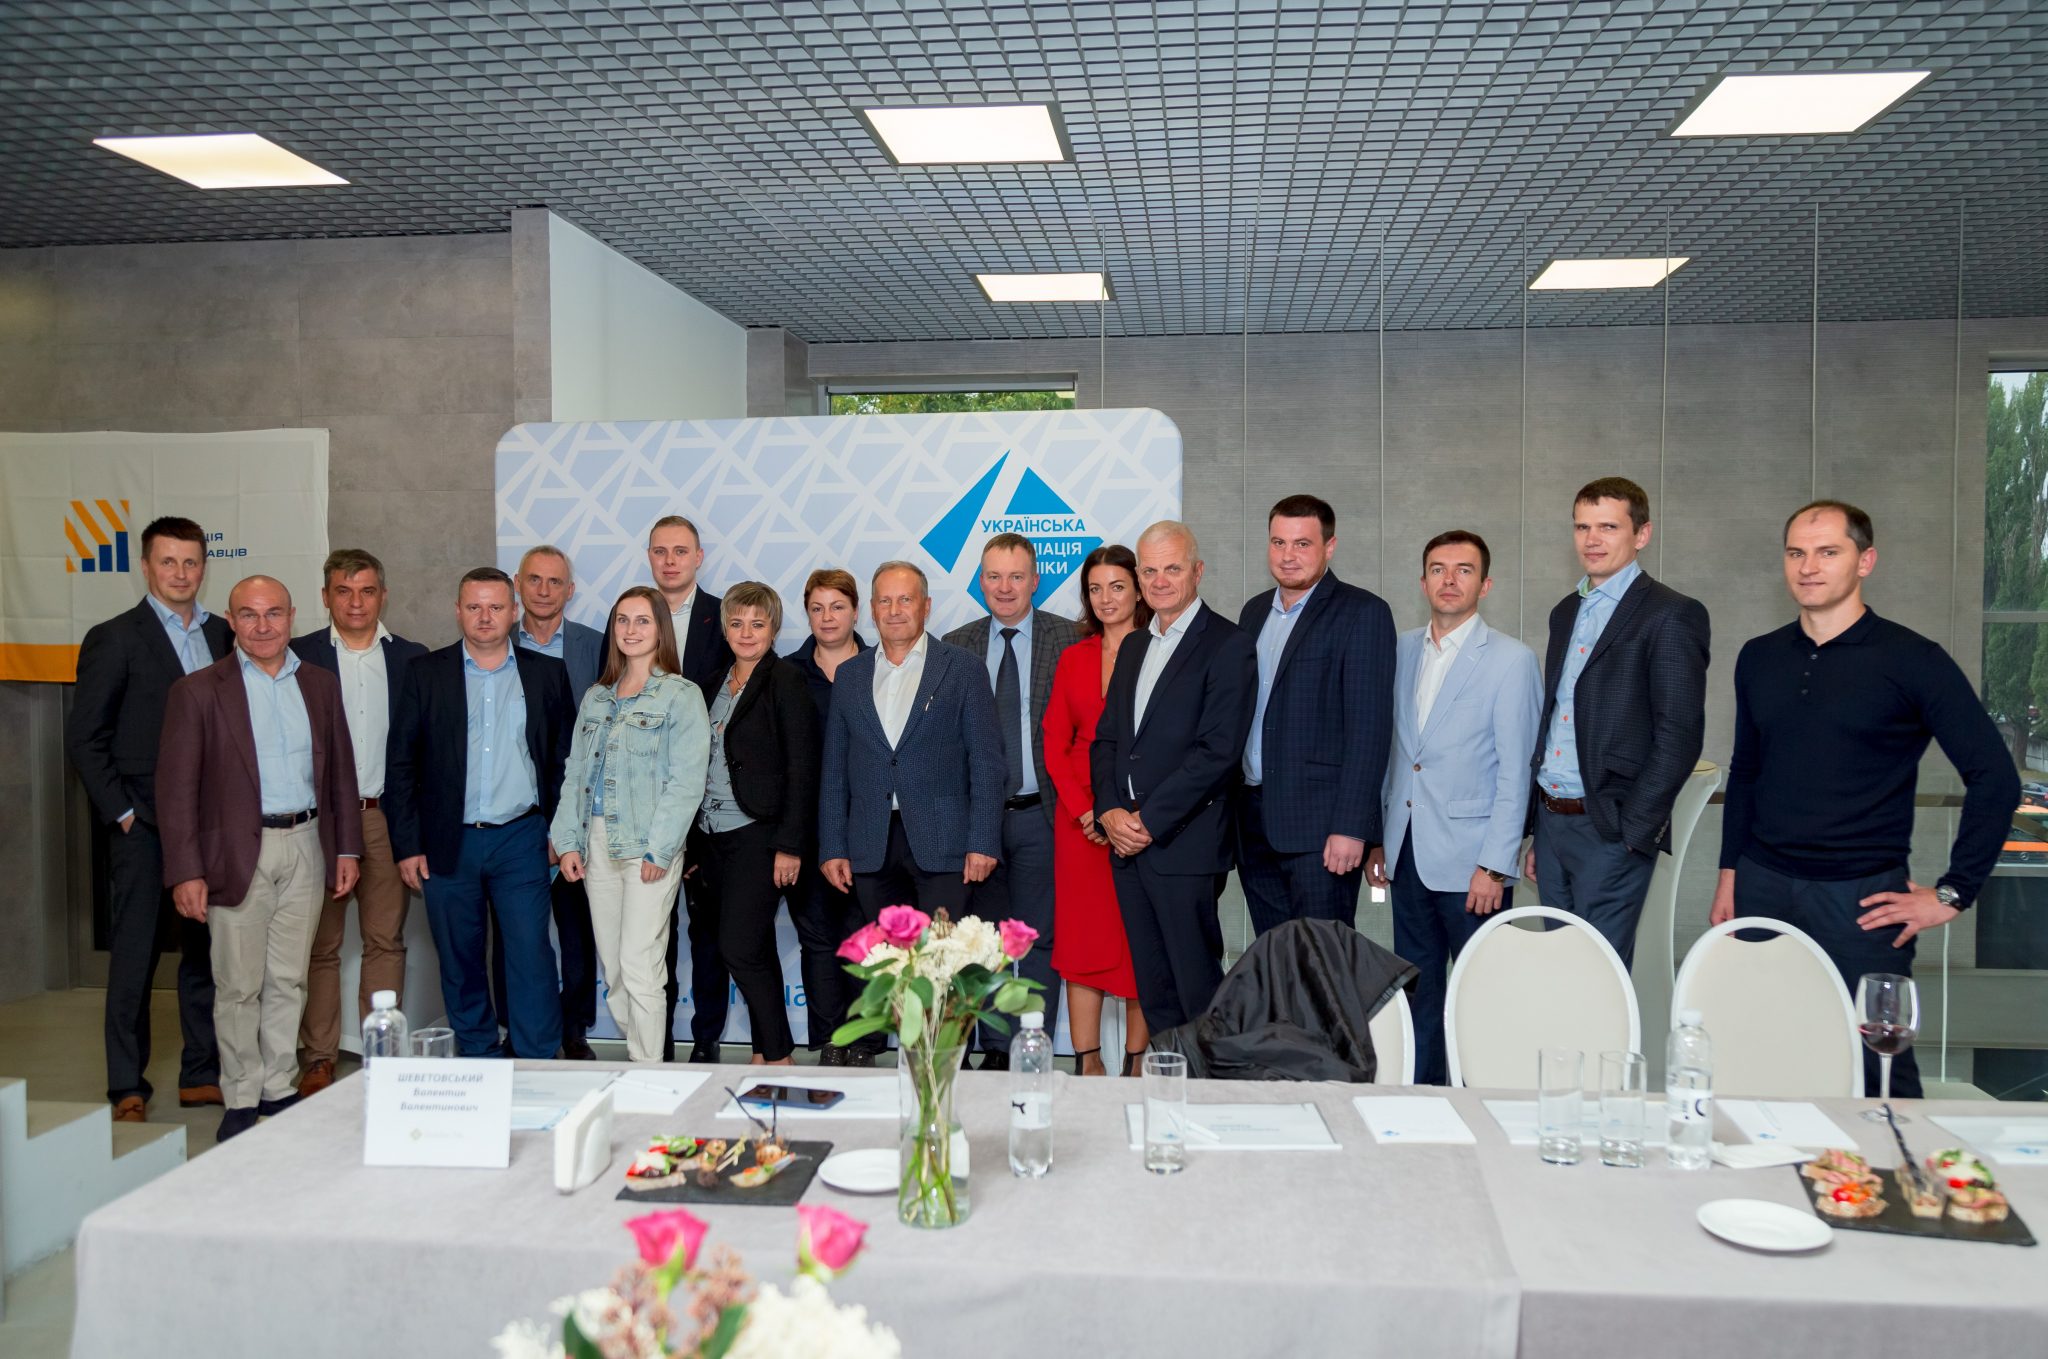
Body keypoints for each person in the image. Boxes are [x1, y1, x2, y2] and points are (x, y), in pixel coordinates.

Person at [1714, 502, 2018, 1099]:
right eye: (1797, 553)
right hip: (1762, 886)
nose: (1808, 567)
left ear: (1865, 561)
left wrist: (1954, 893)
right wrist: (1730, 873)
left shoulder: (1913, 660)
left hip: (1862, 901)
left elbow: (1996, 777)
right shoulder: (1759, 656)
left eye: (1828, 552)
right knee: (1764, 1057)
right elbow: (1746, 771)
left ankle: (1898, 1162)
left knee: (1880, 1072)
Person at [156, 577, 363, 1141]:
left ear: (292, 616)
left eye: (273, 613)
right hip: (234, 854)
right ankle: (242, 1095)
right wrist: (186, 870)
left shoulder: (319, 684)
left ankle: (278, 1086)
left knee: (289, 979)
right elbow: (175, 792)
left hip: (307, 845)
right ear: (230, 621)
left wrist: (347, 847)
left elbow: (340, 772)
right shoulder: (199, 691)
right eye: (249, 615)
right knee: (238, 985)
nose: (263, 625)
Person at [66, 515, 230, 1123]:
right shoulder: (114, 638)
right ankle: (125, 1084)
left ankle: (200, 1073)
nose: (180, 574)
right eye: (168, 562)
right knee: (135, 958)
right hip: (145, 828)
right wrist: (124, 814)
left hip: (210, 827)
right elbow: (86, 739)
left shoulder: (223, 634)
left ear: (203, 567)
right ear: (145, 566)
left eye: (190, 562)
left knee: (205, 955)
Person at [1369, 532, 1541, 1085]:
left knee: (1478, 996)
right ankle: (1422, 1102)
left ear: (1484, 585)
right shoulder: (1398, 650)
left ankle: (1482, 1101)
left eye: (1464, 570)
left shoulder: (1512, 660)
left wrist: (1495, 864)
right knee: (1417, 991)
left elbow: (1517, 771)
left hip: (1474, 866)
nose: (1449, 580)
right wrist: (1379, 838)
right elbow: (1393, 754)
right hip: (1407, 854)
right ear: (1422, 582)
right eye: (1438, 569)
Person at [385, 568, 575, 1059]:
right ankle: (478, 1057)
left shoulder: (546, 673)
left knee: (531, 954)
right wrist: (408, 845)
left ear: (514, 612)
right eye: (474, 607)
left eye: (495, 607)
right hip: (448, 841)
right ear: (458, 611)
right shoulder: (425, 673)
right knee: (459, 957)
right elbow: (400, 764)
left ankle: (537, 1059)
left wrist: (562, 832)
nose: (485, 617)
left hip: (522, 838)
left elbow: (564, 762)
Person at [1526, 477, 1710, 968]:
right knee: (1560, 967)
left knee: (1599, 973)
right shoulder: (1566, 611)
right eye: (1582, 527)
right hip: (1552, 824)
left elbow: (1679, 735)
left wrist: (1633, 832)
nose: (1592, 539)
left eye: (1608, 527)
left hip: (1610, 828)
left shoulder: (1671, 614)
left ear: (1641, 534)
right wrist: (1539, 830)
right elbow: (1556, 717)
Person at [1091, 522, 1257, 1032]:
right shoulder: (1134, 646)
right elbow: (1107, 740)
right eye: (1149, 571)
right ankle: (1167, 1078)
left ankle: (1211, 1079)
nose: (1160, 581)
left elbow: (1218, 753)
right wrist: (1109, 810)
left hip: (1184, 845)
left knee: (1196, 988)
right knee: (1154, 989)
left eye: (1172, 568)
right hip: (1127, 845)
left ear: (1197, 571)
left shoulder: (1228, 644)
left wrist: (1148, 821)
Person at [288, 549, 427, 1097]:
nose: (355, 603)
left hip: (386, 816)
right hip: (321, 821)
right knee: (319, 945)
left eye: (367, 591)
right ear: (326, 597)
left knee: (384, 940)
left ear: (382, 596)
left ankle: (381, 1059)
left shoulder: (412, 659)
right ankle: (319, 1057)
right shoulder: (298, 656)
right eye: (343, 591)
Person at [551, 588, 709, 1063]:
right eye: (622, 620)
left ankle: (648, 1071)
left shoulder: (681, 695)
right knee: (616, 969)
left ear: (660, 629)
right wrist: (567, 841)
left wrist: (661, 850)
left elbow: (687, 782)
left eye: (642, 620)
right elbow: (575, 773)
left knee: (640, 963)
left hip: (648, 845)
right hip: (596, 844)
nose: (631, 630)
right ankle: (643, 1054)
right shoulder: (596, 697)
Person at [942, 534, 1080, 1071]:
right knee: (984, 941)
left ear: (1035, 580)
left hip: (1042, 815)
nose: (1004, 588)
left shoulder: (1069, 639)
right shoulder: (956, 646)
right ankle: (997, 1051)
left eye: (1016, 576)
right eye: (994, 577)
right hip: (976, 821)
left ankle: (1032, 1048)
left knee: (1039, 939)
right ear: (980, 581)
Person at [1235, 494, 1396, 934]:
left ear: (1330, 547)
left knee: (1323, 957)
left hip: (1322, 830)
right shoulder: (1253, 613)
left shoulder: (1363, 613)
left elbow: (1369, 730)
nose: (1288, 555)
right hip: (1253, 823)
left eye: (1302, 544)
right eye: (1278, 542)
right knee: (1274, 956)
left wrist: (1352, 828)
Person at [818, 560, 1004, 937]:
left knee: (943, 962)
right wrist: (833, 846)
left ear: (926, 606)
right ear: (872, 609)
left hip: (945, 846)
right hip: (872, 847)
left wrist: (983, 841)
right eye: (885, 601)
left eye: (905, 599)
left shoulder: (963, 669)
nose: (894, 610)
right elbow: (835, 771)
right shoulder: (850, 676)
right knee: (888, 964)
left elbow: (986, 763)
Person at [687, 582, 820, 1066]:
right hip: (710, 838)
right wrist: (690, 844)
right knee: (755, 948)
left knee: (738, 947)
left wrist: (790, 845)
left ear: (774, 629)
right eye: (737, 623)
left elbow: (803, 768)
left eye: (757, 624)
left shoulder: (786, 680)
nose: (746, 633)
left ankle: (780, 1056)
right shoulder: (709, 684)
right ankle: (765, 1051)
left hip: (759, 836)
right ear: (724, 628)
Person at [1043, 545, 1152, 1076]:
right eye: (1095, 588)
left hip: (1142, 821)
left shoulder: (1161, 650)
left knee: (1140, 941)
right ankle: (1087, 1061)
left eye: (1117, 586)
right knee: (1082, 942)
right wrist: (1085, 810)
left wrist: (1132, 814)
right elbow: (1053, 742)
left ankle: (1136, 1060)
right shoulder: (1075, 657)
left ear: (1138, 590)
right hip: (1080, 826)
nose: (1106, 598)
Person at [647, 515, 734, 1062]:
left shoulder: (723, 618)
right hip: (645, 803)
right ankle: (655, 1041)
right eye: (661, 551)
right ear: (649, 557)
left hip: (707, 806)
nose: (670, 560)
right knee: (653, 935)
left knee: (708, 937)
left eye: (681, 551)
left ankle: (706, 1041)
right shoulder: (631, 616)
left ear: (699, 557)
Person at [513, 544, 605, 1060]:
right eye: (535, 579)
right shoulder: (494, 643)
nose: (544, 591)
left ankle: (574, 1029)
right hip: (515, 812)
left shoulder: (596, 646)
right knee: (517, 934)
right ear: (518, 584)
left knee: (577, 932)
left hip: (582, 811)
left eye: (555, 582)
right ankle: (520, 1028)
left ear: (570, 590)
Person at [784, 568, 869, 1063]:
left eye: (837, 606)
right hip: (807, 829)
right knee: (817, 939)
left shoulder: (884, 667)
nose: (827, 617)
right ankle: (831, 1043)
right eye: (817, 608)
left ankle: (866, 1042)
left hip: (871, 827)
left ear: (856, 611)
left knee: (865, 938)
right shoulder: (787, 673)